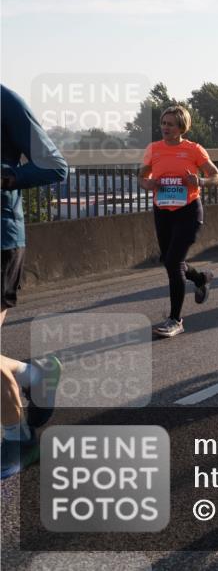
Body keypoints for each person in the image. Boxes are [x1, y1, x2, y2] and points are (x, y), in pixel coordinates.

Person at [1, 84, 68, 478]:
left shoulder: (4, 100)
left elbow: (54, 165)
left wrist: (6, 178)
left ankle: (18, 439)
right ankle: (34, 374)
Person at [139, 105, 218, 338]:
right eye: (163, 123)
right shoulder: (153, 149)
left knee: (174, 261)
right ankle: (201, 278)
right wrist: (149, 184)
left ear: (181, 127)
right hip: (163, 211)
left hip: (188, 211)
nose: (165, 127)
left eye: (170, 124)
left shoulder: (194, 149)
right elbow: (142, 177)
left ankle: (175, 320)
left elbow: (216, 176)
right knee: (170, 260)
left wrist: (200, 182)